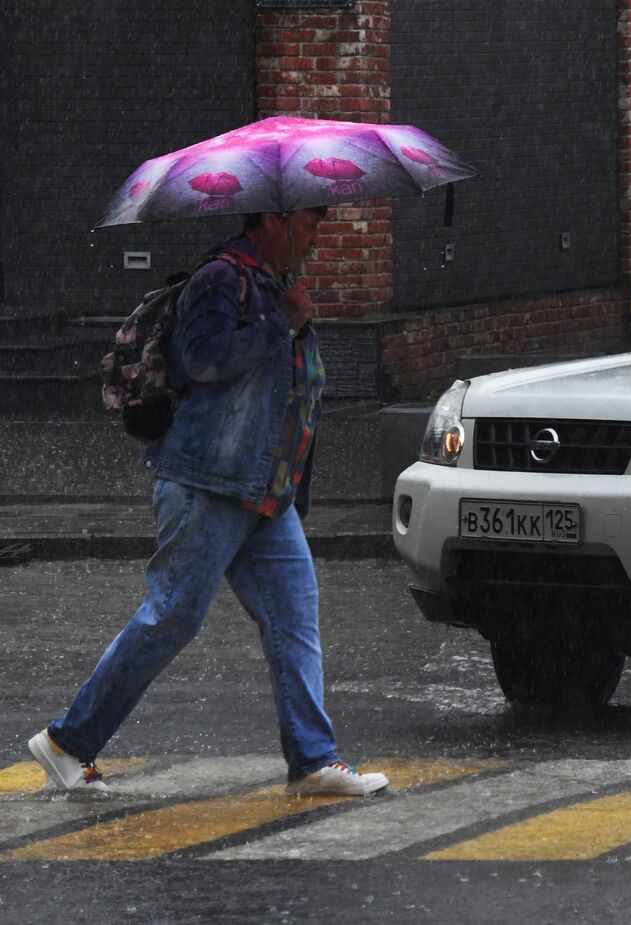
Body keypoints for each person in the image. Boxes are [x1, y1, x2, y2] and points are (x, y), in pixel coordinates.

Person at [28, 207, 388, 797]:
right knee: (172, 615)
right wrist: (282, 323)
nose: (316, 236)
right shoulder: (223, 278)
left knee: (294, 618)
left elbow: (292, 397)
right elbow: (202, 358)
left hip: (265, 493)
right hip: (207, 481)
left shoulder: (275, 288)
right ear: (270, 220)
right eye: (308, 224)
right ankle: (69, 743)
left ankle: (313, 763)